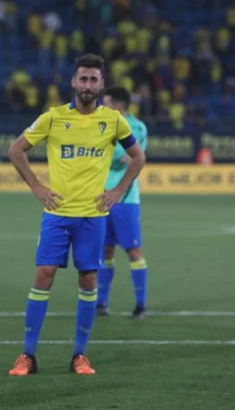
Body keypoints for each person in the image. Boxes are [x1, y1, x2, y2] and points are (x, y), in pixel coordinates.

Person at [7, 54, 146, 376]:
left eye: (93, 79)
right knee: (43, 276)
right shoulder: (53, 118)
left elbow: (138, 157)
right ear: (73, 82)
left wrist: (118, 191)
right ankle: (27, 355)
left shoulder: (114, 121)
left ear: (101, 84)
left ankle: (79, 355)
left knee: (88, 279)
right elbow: (16, 150)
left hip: (92, 217)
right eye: (83, 78)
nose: (87, 84)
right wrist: (37, 187)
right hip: (57, 214)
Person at [96, 86, 149, 319]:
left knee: (133, 251)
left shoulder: (138, 128)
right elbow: (113, 156)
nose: (102, 106)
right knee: (105, 251)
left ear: (118, 106)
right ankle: (102, 303)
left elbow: (132, 159)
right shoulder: (100, 124)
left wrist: (114, 155)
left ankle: (140, 305)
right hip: (100, 196)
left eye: (106, 102)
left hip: (126, 198)